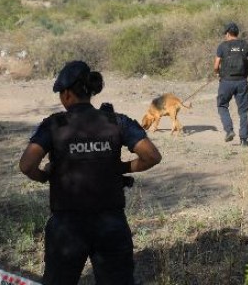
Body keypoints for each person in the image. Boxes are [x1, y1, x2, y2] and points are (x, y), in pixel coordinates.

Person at [19, 60, 161, 285]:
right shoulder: (117, 121)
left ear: (66, 95)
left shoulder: (54, 125)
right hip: (111, 223)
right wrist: (121, 167)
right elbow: (152, 156)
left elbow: (26, 165)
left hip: (67, 225)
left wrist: (46, 175)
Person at [213, 22, 248, 146]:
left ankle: (229, 130)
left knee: (222, 106)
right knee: (243, 111)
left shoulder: (222, 46)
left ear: (227, 34)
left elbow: (216, 65)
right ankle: (244, 140)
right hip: (242, 82)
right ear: (237, 33)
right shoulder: (245, 45)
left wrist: (217, 73)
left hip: (226, 82)